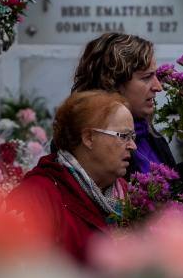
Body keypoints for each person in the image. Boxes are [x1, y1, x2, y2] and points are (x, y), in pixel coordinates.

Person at [71, 32, 183, 197]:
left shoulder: (148, 134)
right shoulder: (96, 144)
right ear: (113, 83)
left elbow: (167, 197)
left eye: (156, 76)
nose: (158, 87)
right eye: (146, 77)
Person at [8, 90, 136, 263]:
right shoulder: (37, 196)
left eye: (133, 137)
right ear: (89, 138)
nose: (133, 146)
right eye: (124, 136)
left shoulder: (123, 191)